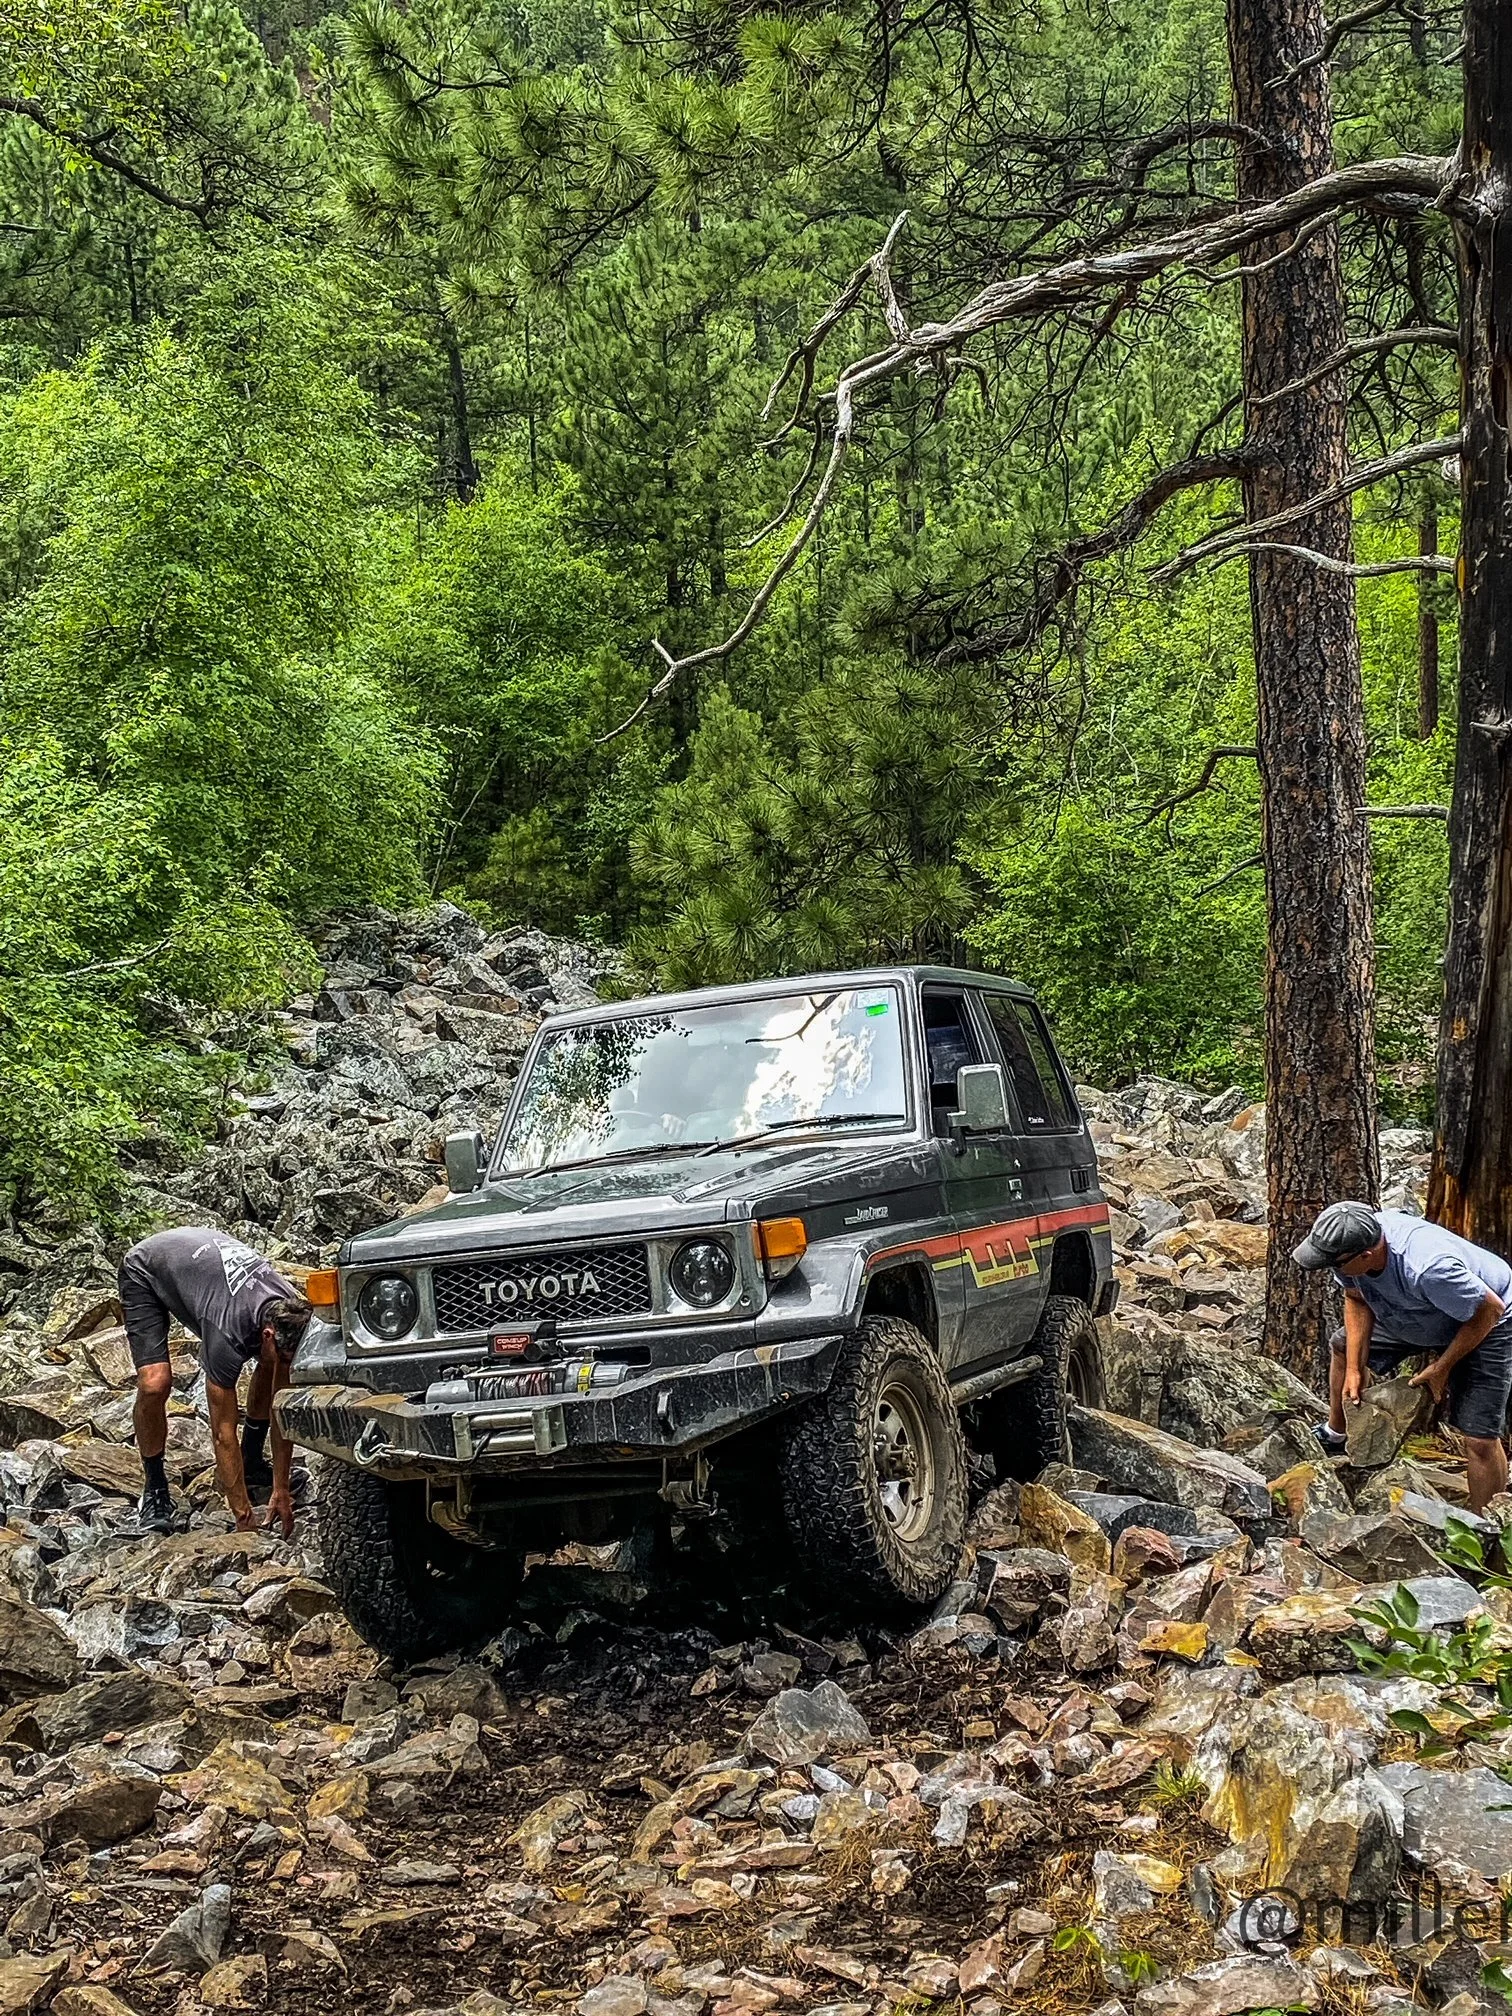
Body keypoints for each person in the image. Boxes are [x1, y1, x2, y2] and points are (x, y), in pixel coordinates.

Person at [1294, 1200, 1512, 1511]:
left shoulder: (1430, 1268)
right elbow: (1356, 1298)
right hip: (1417, 1310)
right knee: (1343, 1347)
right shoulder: (1353, 1245)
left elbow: (1490, 1310)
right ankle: (1336, 1434)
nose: (1332, 1270)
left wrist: (1442, 1367)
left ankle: (1488, 1526)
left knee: (1480, 1439)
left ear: (1366, 1256)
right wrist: (1355, 1367)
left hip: (1487, 1320)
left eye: (1335, 1265)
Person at [119, 1227, 311, 1536]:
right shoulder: (226, 1331)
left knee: (272, 1366)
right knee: (156, 1383)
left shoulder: (290, 1308)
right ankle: (155, 1488)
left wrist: (281, 1488)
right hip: (147, 1267)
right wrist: (243, 1516)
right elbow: (222, 1433)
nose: (287, 1366)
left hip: (200, 1259)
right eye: (286, 1357)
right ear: (268, 1335)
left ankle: (251, 1463)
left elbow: (282, 1409)